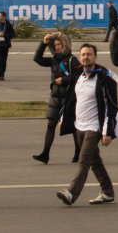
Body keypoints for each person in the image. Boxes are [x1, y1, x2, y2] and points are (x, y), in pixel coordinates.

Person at [56, 43, 118, 206]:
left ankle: (71, 193)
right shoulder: (78, 76)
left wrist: (107, 131)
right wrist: (63, 117)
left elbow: (110, 107)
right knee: (94, 161)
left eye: (89, 54)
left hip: (94, 127)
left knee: (83, 161)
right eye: (83, 54)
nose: (86, 57)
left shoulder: (104, 78)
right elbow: (71, 99)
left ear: (95, 57)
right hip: (80, 127)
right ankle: (108, 192)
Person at [33, 32, 80, 164]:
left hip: (68, 98)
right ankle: (45, 154)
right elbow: (37, 59)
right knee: (50, 124)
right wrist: (43, 43)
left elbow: (79, 76)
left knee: (73, 126)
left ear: (65, 44)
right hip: (55, 97)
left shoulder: (72, 60)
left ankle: (78, 152)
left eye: (59, 44)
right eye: (55, 45)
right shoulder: (54, 59)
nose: (57, 47)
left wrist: (64, 80)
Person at [0, 11, 15, 82]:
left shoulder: (8, 25)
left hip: (5, 45)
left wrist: (4, 35)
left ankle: (2, 74)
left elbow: (12, 35)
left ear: (4, 17)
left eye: (1, 16)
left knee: (4, 60)